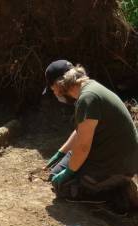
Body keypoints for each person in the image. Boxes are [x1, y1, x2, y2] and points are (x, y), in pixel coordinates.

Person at [42, 59, 138, 213]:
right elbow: (81, 131)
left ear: (59, 85)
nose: (53, 93)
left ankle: (118, 193)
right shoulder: (88, 89)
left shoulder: (87, 99)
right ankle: (111, 184)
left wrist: (69, 172)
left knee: (63, 188)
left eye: (52, 89)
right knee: (54, 173)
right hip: (110, 155)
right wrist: (61, 153)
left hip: (117, 164)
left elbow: (83, 147)